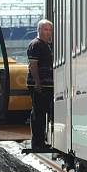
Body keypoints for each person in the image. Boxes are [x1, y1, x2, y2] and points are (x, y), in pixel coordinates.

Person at [26, 19, 54, 153]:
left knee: (43, 113)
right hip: (39, 85)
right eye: (45, 29)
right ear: (39, 30)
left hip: (47, 85)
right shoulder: (36, 44)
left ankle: (41, 141)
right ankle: (37, 143)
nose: (47, 32)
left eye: (49, 30)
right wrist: (37, 82)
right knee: (38, 113)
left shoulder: (47, 45)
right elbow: (33, 65)